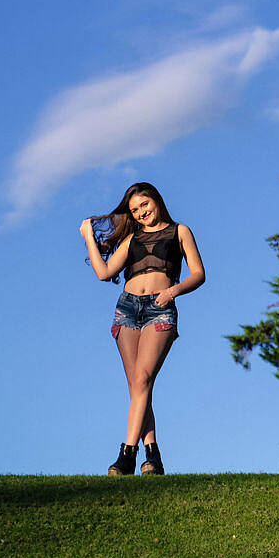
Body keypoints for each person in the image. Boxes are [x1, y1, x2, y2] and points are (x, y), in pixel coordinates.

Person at [80, 182, 205, 475]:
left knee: (143, 379)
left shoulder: (180, 232)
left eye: (144, 205)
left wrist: (173, 292)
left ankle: (127, 455)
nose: (140, 213)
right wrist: (88, 236)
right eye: (134, 210)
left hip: (160, 309)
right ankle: (153, 457)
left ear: (156, 200)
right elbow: (104, 272)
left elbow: (199, 274)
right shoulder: (131, 239)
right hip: (127, 310)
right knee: (139, 386)